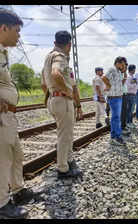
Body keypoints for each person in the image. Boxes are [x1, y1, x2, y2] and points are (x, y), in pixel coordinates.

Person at [0, 8, 39, 219]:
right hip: (1, 117)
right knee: (2, 160)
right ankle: (2, 205)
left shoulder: (2, 52)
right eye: (16, 30)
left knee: (16, 155)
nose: (19, 35)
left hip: (8, 116)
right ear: (3, 28)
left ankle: (18, 191)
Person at [42, 30, 84, 180]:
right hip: (62, 100)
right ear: (69, 44)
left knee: (65, 133)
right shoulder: (60, 57)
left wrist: (52, 94)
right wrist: (66, 91)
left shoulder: (48, 57)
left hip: (53, 100)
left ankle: (68, 160)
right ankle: (63, 169)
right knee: (65, 136)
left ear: (55, 42)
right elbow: (55, 73)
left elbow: (43, 83)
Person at [101, 56, 127, 146]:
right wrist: (108, 85)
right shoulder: (112, 69)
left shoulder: (119, 72)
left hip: (118, 97)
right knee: (115, 118)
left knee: (117, 118)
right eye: (122, 64)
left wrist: (124, 71)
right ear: (118, 63)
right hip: (113, 97)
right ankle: (114, 137)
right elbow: (104, 78)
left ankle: (117, 135)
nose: (123, 66)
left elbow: (119, 83)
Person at [120, 61, 130, 137]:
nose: (126, 68)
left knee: (125, 111)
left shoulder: (123, 74)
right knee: (122, 112)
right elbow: (120, 84)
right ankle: (122, 127)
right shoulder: (119, 74)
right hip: (121, 95)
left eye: (126, 67)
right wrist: (125, 77)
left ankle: (124, 125)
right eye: (125, 67)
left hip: (125, 94)